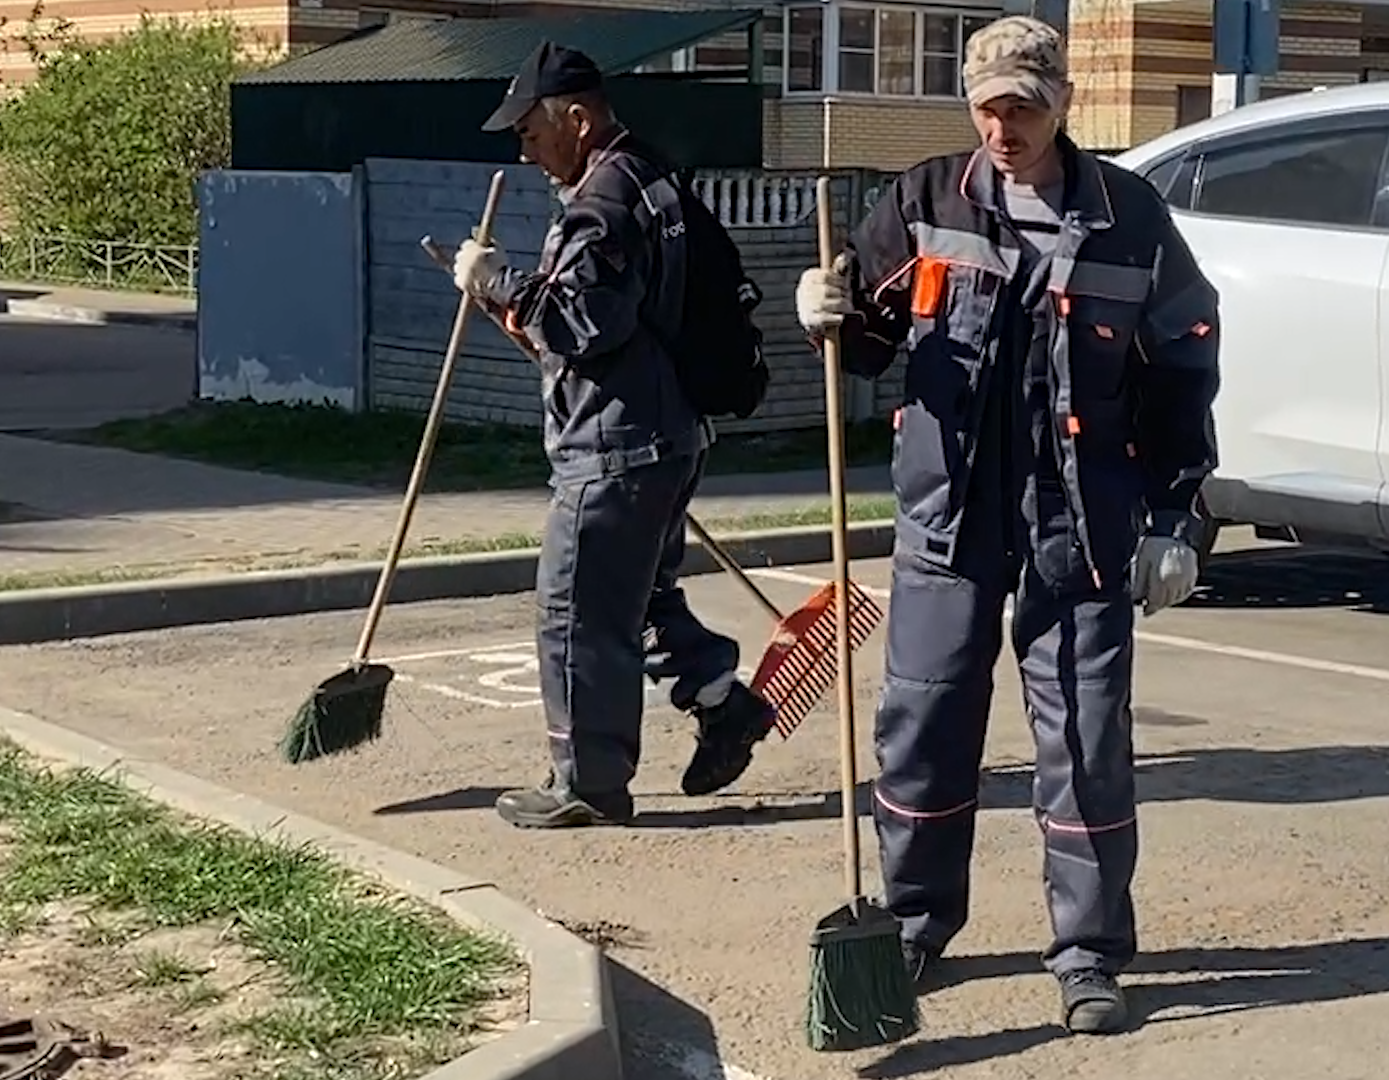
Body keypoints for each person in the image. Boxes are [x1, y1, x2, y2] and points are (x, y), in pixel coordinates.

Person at [792, 14, 1221, 1036]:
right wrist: (827, 314)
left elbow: (1186, 370)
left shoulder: (1132, 218)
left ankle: (1087, 955)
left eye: (1020, 108)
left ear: (1060, 104)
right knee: (926, 723)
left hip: (1081, 519)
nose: (1001, 128)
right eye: (986, 109)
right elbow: (869, 335)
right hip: (950, 512)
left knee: (1084, 735)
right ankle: (914, 920)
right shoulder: (926, 200)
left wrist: (1176, 517)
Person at [452, 40, 777, 828]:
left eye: (531, 133)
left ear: (576, 117)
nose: (527, 154)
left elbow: (579, 320)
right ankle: (723, 704)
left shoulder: (603, 203)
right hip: (665, 432)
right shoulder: (651, 175)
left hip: (616, 444)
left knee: (577, 612)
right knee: (639, 596)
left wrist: (493, 277)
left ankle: (587, 783)